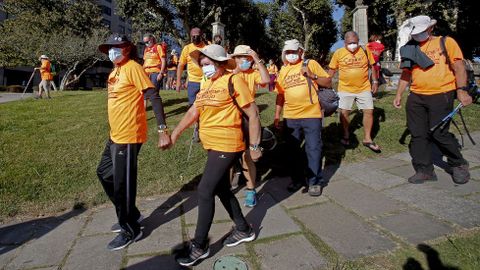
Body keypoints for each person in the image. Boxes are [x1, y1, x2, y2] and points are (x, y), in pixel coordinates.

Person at [171, 44, 261, 266]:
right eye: (202, 65)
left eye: (208, 64)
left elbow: (253, 113)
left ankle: (199, 246)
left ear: (220, 63)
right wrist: (175, 133)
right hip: (212, 145)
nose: (204, 68)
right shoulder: (207, 84)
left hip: (227, 144)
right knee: (221, 188)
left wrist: (255, 146)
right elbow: (194, 111)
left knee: (204, 190)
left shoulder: (233, 80)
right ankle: (243, 228)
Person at [96, 34, 171, 251]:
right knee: (104, 173)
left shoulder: (133, 68)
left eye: (116, 47)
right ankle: (130, 213)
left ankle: (130, 228)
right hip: (115, 135)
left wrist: (162, 130)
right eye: (109, 48)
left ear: (127, 48)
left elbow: (154, 97)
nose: (112, 51)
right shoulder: (115, 71)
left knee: (123, 185)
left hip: (129, 136)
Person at [393, 15, 472, 184]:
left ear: (430, 29)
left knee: (439, 132)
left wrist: (462, 91)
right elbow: (406, 73)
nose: (417, 35)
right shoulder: (409, 48)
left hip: (442, 93)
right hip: (416, 96)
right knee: (418, 134)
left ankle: (458, 164)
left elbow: (459, 66)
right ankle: (425, 170)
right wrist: (399, 94)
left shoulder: (446, 42)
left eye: (421, 32)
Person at [274, 39, 331, 196]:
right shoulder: (283, 70)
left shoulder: (310, 63)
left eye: (293, 51)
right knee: (292, 150)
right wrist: (277, 115)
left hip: (311, 114)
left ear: (300, 51)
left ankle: (314, 181)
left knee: (313, 148)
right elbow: (280, 95)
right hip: (291, 117)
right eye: (288, 52)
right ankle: (297, 179)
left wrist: (312, 76)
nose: (291, 55)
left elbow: (328, 81)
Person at [230, 45, 270, 207]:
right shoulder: (229, 74)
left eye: (247, 58)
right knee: (229, 156)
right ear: (234, 59)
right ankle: (227, 187)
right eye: (240, 57)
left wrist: (257, 59)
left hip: (247, 117)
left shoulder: (253, 74)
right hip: (230, 117)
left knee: (247, 156)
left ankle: (251, 190)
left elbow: (267, 81)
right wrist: (235, 71)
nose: (244, 60)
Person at [328, 31, 381, 153]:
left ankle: (367, 139)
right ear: (345, 43)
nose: (353, 45)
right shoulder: (338, 53)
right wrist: (326, 85)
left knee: (369, 111)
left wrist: (375, 81)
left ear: (358, 41)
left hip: (364, 88)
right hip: (345, 89)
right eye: (350, 43)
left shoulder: (364, 50)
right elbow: (331, 70)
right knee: (344, 113)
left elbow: (372, 65)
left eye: (355, 43)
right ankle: (346, 135)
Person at [177, 27, 207, 142]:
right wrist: (179, 81)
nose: (195, 37)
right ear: (190, 36)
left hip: (206, 80)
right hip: (193, 82)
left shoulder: (207, 48)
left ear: (202, 35)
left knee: (205, 105)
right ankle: (196, 129)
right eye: (193, 36)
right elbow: (181, 65)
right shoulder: (187, 48)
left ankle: (205, 128)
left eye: (197, 35)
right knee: (193, 106)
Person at [142, 33, 166, 106]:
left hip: (156, 72)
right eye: (145, 42)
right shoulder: (146, 50)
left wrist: (161, 73)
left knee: (154, 92)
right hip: (146, 73)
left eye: (147, 41)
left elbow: (163, 60)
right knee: (144, 92)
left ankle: (159, 112)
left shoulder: (158, 47)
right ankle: (144, 110)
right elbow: (145, 62)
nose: (146, 44)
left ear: (152, 39)